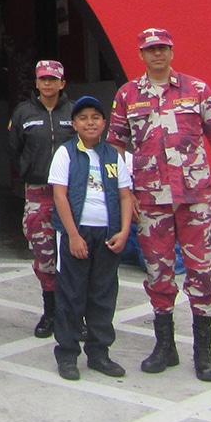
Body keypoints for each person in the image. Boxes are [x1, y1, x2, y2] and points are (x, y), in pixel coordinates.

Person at [108, 28, 211, 382]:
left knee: (202, 273)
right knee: (158, 274)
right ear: (142, 55)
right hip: (151, 200)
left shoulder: (197, 90)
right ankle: (165, 347)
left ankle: (203, 353)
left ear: (172, 51)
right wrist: (124, 188)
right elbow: (116, 145)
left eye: (163, 48)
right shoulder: (128, 95)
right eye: (151, 50)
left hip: (195, 198)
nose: (157, 55)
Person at [50, 96, 133, 381]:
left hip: (107, 235)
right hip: (77, 232)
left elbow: (125, 195)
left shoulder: (113, 156)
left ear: (104, 123)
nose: (90, 122)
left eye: (95, 117)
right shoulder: (66, 153)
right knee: (71, 295)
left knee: (103, 294)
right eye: (83, 118)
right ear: (74, 124)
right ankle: (68, 354)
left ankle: (99, 354)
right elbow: (59, 194)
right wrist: (72, 235)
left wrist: (123, 232)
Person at [6, 60, 75, 339]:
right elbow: (14, 150)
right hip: (38, 191)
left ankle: (73, 314)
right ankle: (50, 313)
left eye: (53, 79)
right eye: (43, 79)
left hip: (71, 193)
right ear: (36, 83)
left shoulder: (74, 111)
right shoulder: (23, 113)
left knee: (72, 253)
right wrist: (27, 169)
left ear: (62, 83)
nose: (48, 84)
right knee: (44, 253)